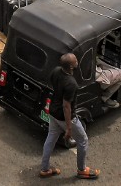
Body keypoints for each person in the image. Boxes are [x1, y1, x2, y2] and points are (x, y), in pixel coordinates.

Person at [39, 52, 97, 180]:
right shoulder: (71, 83)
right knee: (83, 140)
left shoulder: (56, 71)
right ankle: (82, 170)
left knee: (51, 138)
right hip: (65, 117)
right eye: (75, 60)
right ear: (71, 67)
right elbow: (66, 106)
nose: (77, 61)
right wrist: (69, 128)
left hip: (53, 112)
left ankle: (45, 168)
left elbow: (53, 85)